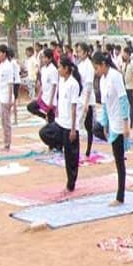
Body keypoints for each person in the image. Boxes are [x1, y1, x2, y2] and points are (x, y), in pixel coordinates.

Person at [92, 52, 131, 206]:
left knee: (119, 162)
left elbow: (123, 100)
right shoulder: (102, 80)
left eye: (96, 67)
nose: (96, 71)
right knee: (96, 129)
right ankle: (119, 195)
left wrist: (126, 124)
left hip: (120, 122)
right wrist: (105, 124)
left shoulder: (115, 76)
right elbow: (105, 105)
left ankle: (120, 196)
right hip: (112, 121)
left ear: (103, 64)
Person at [50, 58, 83, 192]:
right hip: (60, 121)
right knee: (45, 132)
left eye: (60, 67)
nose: (58, 70)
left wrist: (73, 129)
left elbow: (74, 107)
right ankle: (58, 145)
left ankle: (71, 184)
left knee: (71, 158)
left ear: (66, 69)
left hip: (70, 125)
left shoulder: (73, 84)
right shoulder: (62, 81)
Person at [0, 45, 17, 150]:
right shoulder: (1, 66)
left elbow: (10, 83)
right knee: (3, 119)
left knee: (6, 121)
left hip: (6, 96)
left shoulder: (8, 66)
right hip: (0, 95)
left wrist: (10, 99)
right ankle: (5, 141)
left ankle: (7, 143)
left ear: (4, 54)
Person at [75, 43, 96, 157]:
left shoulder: (89, 66)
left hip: (87, 100)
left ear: (86, 52)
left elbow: (89, 85)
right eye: (77, 51)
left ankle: (88, 149)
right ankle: (76, 148)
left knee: (88, 127)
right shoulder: (80, 65)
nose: (78, 54)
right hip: (80, 98)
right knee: (77, 123)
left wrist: (87, 103)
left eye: (80, 51)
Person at [120, 47, 133, 128]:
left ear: (127, 54)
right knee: (124, 105)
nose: (123, 55)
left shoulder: (132, 64)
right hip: (124, 87)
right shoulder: (123, 64)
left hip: (130, 88)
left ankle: (131, 123)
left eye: (124, 53)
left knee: (131, 106)